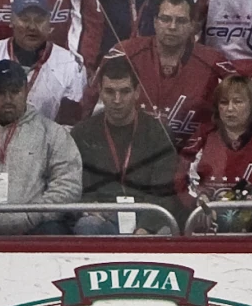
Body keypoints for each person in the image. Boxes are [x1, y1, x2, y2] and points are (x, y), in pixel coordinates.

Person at [0, 58, 84, 234]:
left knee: (55, 230)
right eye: (0, 92)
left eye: (14, 91)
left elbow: (68, 184)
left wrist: (33, 216)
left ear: (26, 91)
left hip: (35, 232)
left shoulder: (52, 133)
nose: (7, 99)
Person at [72, 55, 184, 230]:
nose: (117, 100)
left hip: (147, 211)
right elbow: (77, 184)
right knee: (87, 225)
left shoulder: (159, 132)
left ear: (137, 92)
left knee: (164, 230)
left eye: (124, 91)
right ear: (100, 92)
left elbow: (163, 192)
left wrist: (146, 228)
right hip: (102, 214)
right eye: (110, 92)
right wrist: (89, 205)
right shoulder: (82, 133)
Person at [115, 0, 229, 154]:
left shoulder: (214, 62)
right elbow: (96, 107)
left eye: (181, 21)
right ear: (155, 22)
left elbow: (241, 104)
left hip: (191, 156)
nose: (172, 27)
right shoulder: (124, 53)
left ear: (192, 25)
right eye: (166, 19)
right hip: (130, 152)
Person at [0, 0, 89, 124]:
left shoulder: (71, 65)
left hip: (48, 142)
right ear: (12, 21)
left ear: (50, 23)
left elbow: (71, 125)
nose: (32, 26)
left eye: (39, 20)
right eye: (24, 19)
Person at [183, 74, 252, 227]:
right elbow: (183, 177)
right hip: (210, 226)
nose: (230, 109)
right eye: (224, 102)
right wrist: (202, 201)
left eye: (238, 102)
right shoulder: (204, 134)